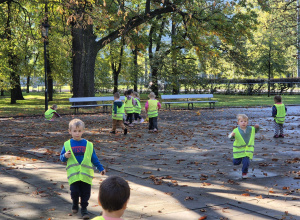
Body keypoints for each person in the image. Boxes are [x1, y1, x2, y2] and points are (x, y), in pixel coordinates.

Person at [60, 119, 106, 219]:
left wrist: (100, 168)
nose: (77, 133)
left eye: (79, 131)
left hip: (86, 175)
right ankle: (75, 203)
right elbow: (61, 158)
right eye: (75, 131)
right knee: (75, 192)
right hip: (74, 175)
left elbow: (94, 158)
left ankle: (84, 209)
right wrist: (65, 156)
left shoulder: (88, 144)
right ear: (70, 131)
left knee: (86, 194)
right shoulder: (67, 144)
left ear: (83, 131)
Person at [228, 114, 259, 179]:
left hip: (247, 150)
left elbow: (255, 130)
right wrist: (232, 135)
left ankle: (244, 173)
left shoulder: (250, 129)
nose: (243, 123)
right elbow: (230, 137)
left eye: (245, 121)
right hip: (239, 150)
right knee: (236, 162)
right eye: (241, 121)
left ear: (247, 122)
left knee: (246, 162)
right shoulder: (236, 130)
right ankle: (236, 160)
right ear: (238, 123)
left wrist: (257, 127)